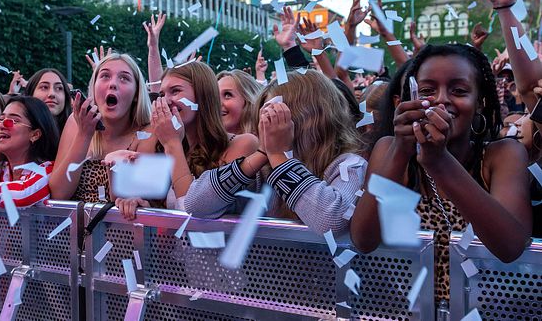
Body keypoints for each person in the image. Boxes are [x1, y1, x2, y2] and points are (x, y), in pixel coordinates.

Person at [351, 44, 532, 304]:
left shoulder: (503, 155)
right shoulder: (388, 150)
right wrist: (402, 150)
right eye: (427, 90)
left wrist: (440, 162)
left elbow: (511, 246)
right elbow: (363, 239)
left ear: (480, 102)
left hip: (486, 310)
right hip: (409, 310)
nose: (441, 99)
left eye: (458, 90)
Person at [181, 70, 365, 235]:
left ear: (310, 116)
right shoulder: (264, 171)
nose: (266, 124)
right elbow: (195, 205)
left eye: (277, 115)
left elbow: (330, 221)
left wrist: (279, 156)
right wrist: (262, 152)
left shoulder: (349, 164)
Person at [119, 60, 258, 219]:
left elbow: (190, 214)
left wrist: (172, 144)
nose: (166, 101)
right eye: (162, 95)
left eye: (175, 91)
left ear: (203, 96)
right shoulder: (175, 147)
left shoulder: (244, 144)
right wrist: (147, 207)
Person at [51, 53, 153, 202]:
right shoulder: (76, 121)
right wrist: (84, 134)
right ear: (94, 87)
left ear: (136, 93)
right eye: (105, 76)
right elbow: (59, 194)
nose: (113, 84)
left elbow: (128, 207)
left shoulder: (146, 133)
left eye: (124, 78)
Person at [24, 68, 72, 133]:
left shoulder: (79, 131)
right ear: (31, 93)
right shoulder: (17, 132)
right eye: (44, 87)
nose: (52, 94)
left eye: (58, 88)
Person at [216, 70, 263, 135]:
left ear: (248, 101)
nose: (217, 102)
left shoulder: (264, 143)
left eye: (227, 95)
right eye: (214, 96)